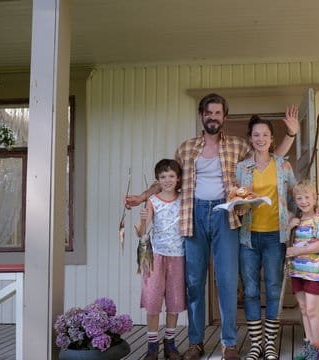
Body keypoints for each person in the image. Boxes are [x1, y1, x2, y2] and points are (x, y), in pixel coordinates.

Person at [125, 93, 298, 360]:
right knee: (194, 282)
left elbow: (269, 158)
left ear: (224, 117)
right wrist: (142, 196)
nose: (213, 117)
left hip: (226, 215)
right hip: (193, 214)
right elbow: (167, 180)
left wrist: (291, 135)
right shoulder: (185, 149)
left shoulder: (239, 146)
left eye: (218, 113)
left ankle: (229, 343)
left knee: (227, 280)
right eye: (209, 113)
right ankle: (196, 342)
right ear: (201, 115)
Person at [234, 115, 297, 360]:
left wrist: (308, 213)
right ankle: (255, 345)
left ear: (272, 140)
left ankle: (270, 344)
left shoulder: (283, 166)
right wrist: (238, 205)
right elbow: (235, 199)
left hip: (275, 237)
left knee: (272, 289)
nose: (261, 139)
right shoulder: (241, 167)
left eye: (265, 135)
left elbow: (294, 197)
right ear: (250, 139)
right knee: (249, 291)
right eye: (256, 135)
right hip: (248, 237)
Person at [134, 159, 185, 360]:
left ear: (178, 178)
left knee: (174, 300)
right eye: (163, 177)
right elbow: (141, 232)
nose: (167, 180)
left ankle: (170, 343)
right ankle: (152, 345)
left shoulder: (183, 199)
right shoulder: (153, 200)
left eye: (171, 176)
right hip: (155, 256)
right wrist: (143, 217)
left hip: (178, 256)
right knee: (153, 300)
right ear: (157, 179)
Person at [285, 180, 319, 360]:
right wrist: (290, 226)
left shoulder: (318, 220)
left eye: (307, 197)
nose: (303, 201)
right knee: (304, 309)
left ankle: (316, 350)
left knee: (312, 311)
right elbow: (286, 239)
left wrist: (299, 250)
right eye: (299, 198)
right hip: (297, 272)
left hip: (314, 273)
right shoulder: (296, 221)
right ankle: (309, 347)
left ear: (314, 198)